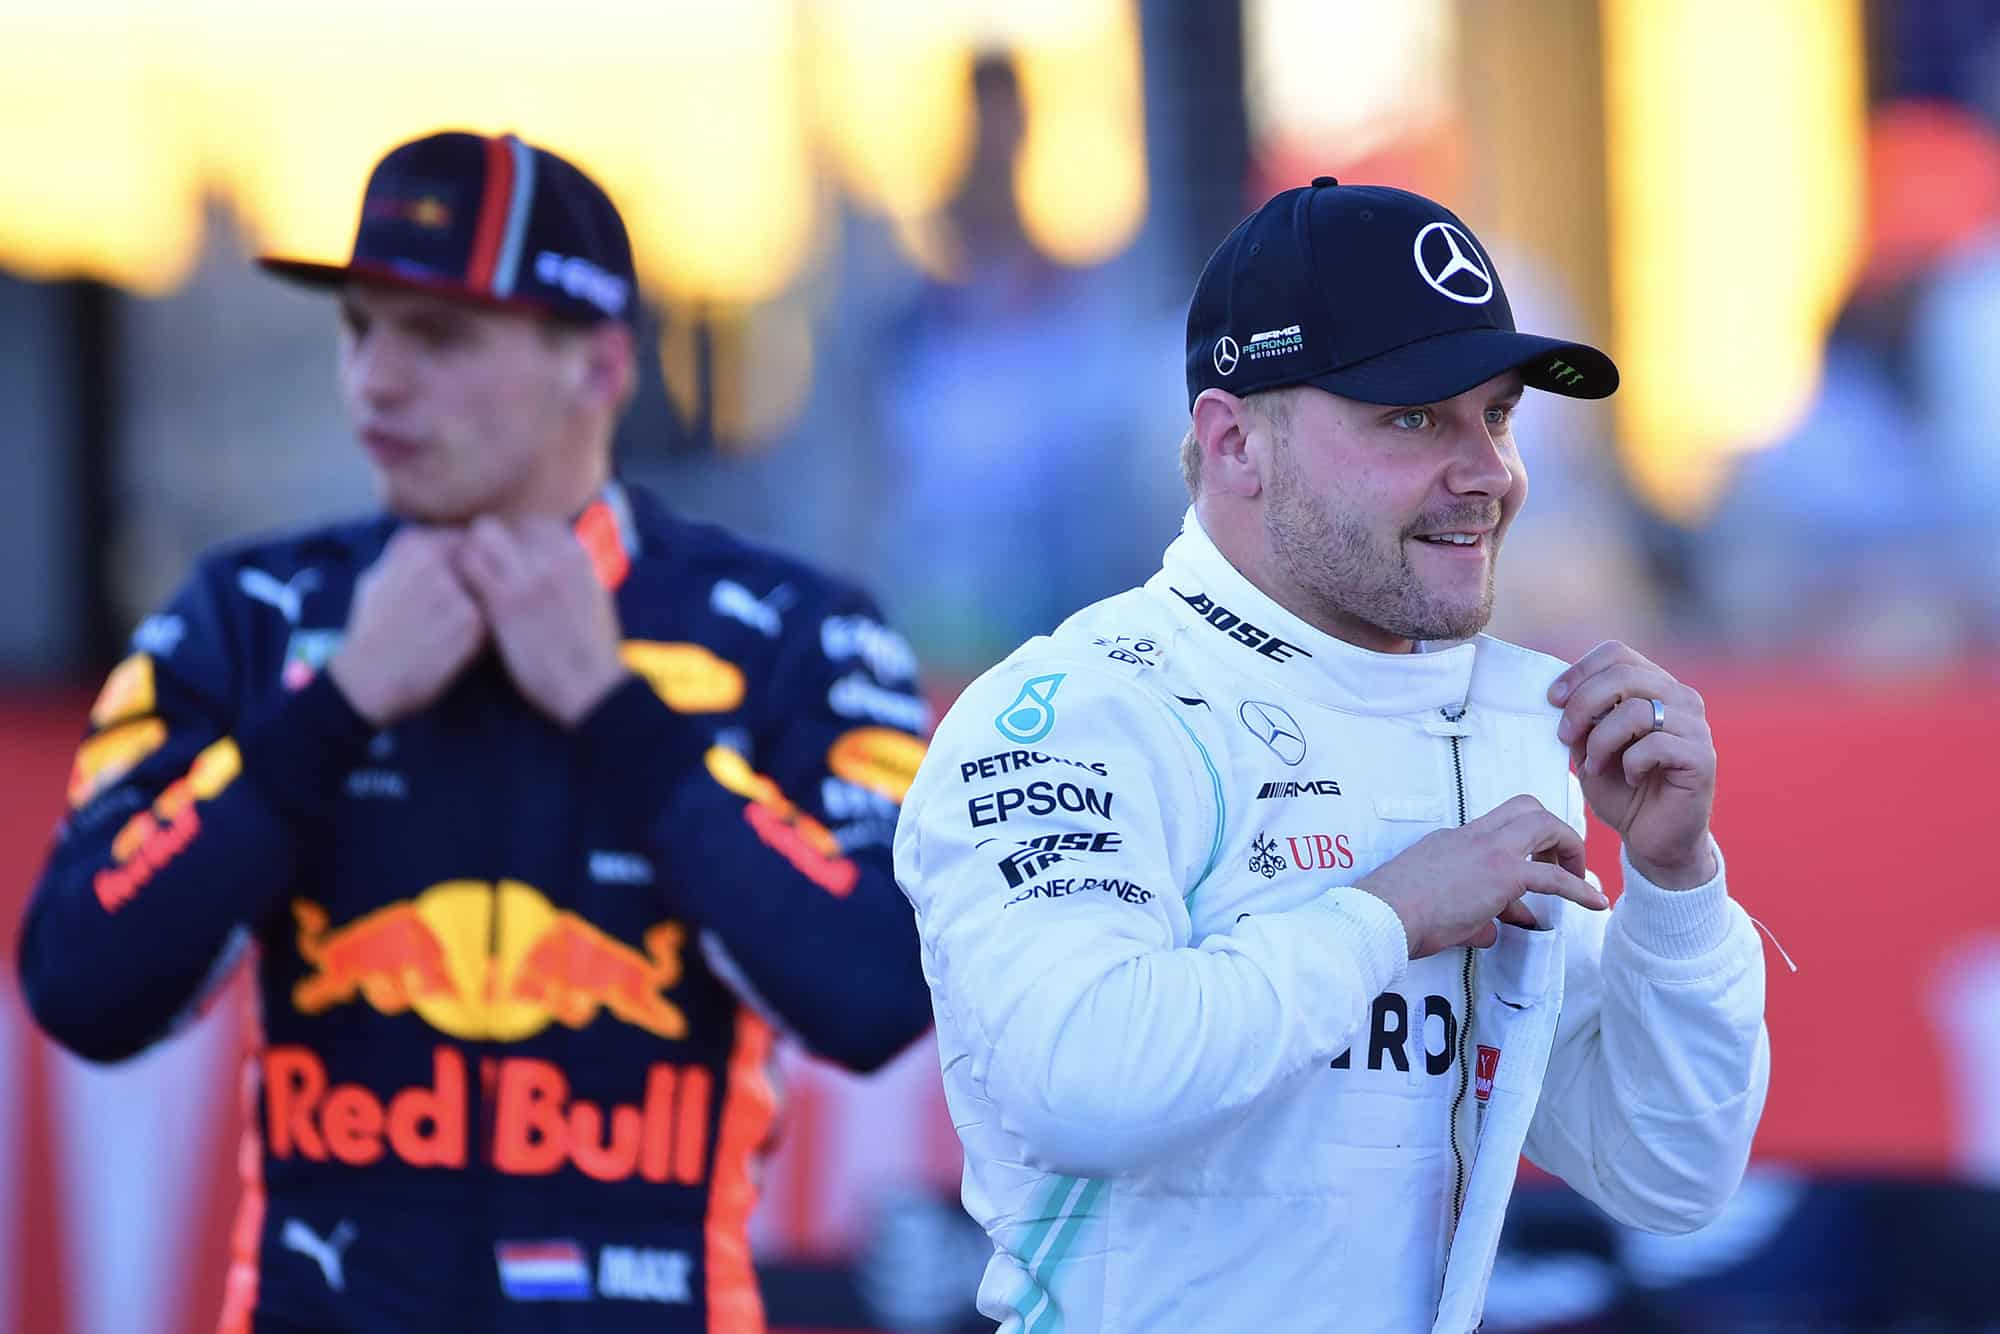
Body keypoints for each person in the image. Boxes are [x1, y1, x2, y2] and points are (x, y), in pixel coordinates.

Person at [19, 129, 936, 1332]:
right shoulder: (246, 619)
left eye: (438, 336)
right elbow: (82, 979)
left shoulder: (792, 633)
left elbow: (877, 990)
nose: (376, 380)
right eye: (360, 326)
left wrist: (616, 712)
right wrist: (336, 708)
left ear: (599, 364)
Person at [895, 177, 1770, 1333]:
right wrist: (1387, 914)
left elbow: (1669, 1172)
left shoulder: (1508, 720)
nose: (1486, 472)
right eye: (1411, 416)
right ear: (1232, 440)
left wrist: (1672, 881)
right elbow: (1077, 1079)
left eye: (1496, 413)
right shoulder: (1078, 710)